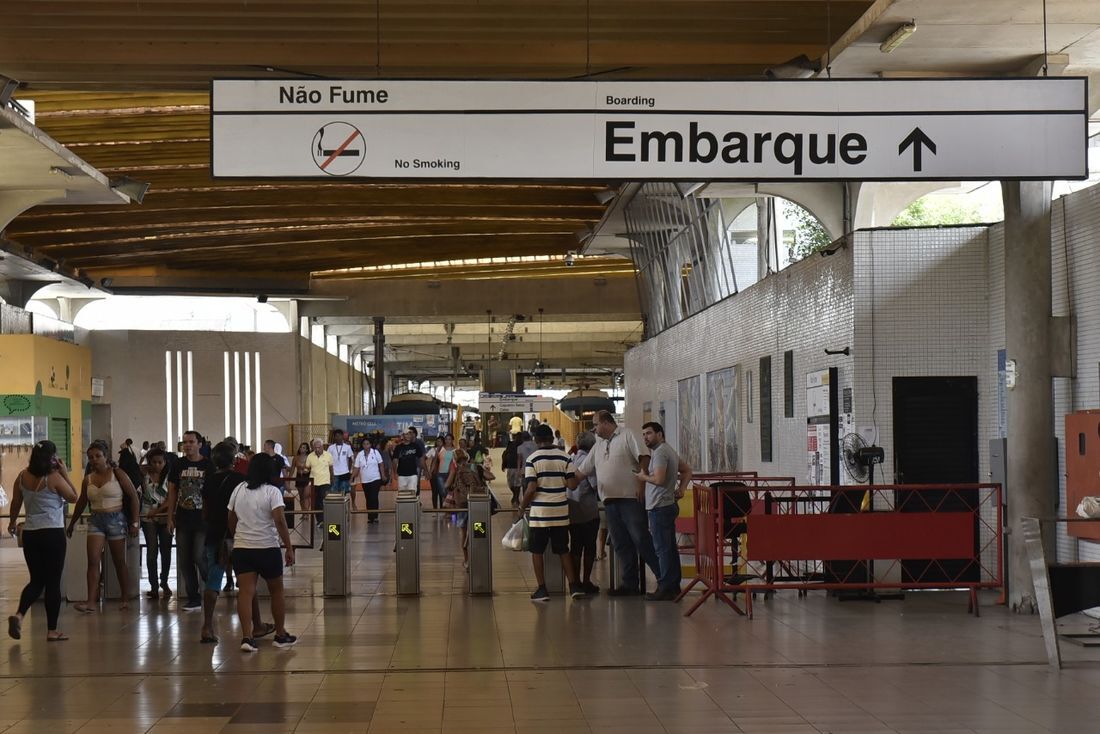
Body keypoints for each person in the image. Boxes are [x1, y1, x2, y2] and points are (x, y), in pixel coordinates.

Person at [576, 410, 659, 596]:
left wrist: (642, 483)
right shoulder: (598, 444)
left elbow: (643, 458)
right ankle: (630, 584)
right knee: (621, 544)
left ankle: (664, 581)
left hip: (630, 499)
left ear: (606, 423)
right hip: (610, 502)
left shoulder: (627, 435)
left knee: (641, 540)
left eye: (596, 424)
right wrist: (564, 481)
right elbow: (582, 471)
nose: (594, 429)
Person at [7, 440, 78, 641]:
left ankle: (19, 615)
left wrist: (12, 523)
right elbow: (73, 497)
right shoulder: (53, 478)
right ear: (52, 458)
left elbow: (15, 503)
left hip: (30, 534)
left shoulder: (22, 477)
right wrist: (64, 473)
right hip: (52, 534)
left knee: (36, 580)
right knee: (52, 583)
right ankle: (52, 630)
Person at [228, 453, 297, 652]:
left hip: (243, 548)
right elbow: (280, 520)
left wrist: (238, 536)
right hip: (267, 547)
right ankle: (280, 634)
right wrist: (289, 547)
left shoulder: (239, 489)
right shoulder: (272, 492)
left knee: (246, 593)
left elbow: (231, 518)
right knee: (277, 591)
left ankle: (247, 638)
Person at [68, 440, 141, 613]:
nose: (94, 460)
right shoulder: (88, 479)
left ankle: (125, 597)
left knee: (118, 560)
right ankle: (91, 601)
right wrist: (72, 523)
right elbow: (81, 502)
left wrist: (135, 522)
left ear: (106, 457)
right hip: (96, 520)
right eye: (91, 457)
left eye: (98, 456)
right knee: (93, 561)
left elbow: (134, 498)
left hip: (116, 519)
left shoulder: (118, 474)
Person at [520, 424, 585, 602]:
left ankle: (542, 589)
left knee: (537, 551)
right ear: (551, 438)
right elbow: (572, 485)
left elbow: (531, 487)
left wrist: (521, 507)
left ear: (536, 440)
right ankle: (573, 587)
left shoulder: (532, 459)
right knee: (563, 550)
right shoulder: (565, 458)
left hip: (540, 515)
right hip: (561, 512)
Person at [634, 422, 693, 601]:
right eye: (643, 434)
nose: (645, 437)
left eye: (649, 433)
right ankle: (673, 586)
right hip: (666, 505)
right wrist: (682, 489)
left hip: (659, 506)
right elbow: (687, 470)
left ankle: (666, 587)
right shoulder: (668, 450)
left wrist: (643, 477)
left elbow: (659, 480)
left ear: (660, 434)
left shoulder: (660, 453)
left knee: (662, 549)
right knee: (669, 548)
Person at [198, 442, 245, 643]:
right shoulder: (241, 481)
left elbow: (205, 510)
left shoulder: (208, 481)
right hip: (239, 534)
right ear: (234, 460)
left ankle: (207, 626)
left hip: (215, 534)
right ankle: (254, 626)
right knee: (246, 580)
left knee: (213, 580)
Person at [167, 430, 214, 612]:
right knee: (185, 559)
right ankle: (193, 597)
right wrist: (170, 516)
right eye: (185, 442)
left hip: (202, 518)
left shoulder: (208, 465)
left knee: (199, 555)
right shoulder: (178, 464)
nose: (188, 445)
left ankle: (211, 588)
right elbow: (172, 491)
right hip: (183, 517)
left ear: (199, 444)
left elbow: (211, 493)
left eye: (191, 442)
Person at [568, 431, 601, 594]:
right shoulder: (590, 461)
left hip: (572, 512)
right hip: (588, 511)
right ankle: (586, 581)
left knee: (575, 548)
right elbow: (595, 486)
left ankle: (576, 582)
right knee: (589, 548)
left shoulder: (571, 459)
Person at [140, 447, 173, 599]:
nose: (157, 465)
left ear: (165, 462)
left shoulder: (169, 476)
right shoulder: (143, 475)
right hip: (148, 518)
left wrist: (158, 510)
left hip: (165, 516)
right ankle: (153, 585)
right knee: (151, 552)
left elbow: (171, 498)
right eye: (154, 462)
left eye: (160, 462)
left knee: (166, 551)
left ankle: (164, 582)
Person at [444, 449, 481, 568]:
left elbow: (446, 485)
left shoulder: (456, 469)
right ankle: (479, 557)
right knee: (478, 531)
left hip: (462, 505)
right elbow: (491, 476)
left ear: (454, 459)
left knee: (464, 533)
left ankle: (467, 561)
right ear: (467, 457)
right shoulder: (474, 467)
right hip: (477, 503)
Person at [352, 437, 387, 523]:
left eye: (367, 444)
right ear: (362, 445)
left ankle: (375, 516)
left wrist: (383, 475)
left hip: (375, 478)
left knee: (374, 497)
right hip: (365, 480)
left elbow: (381, 464)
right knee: (368, 498)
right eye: (364, 444)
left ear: (370, 445)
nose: (366, 445)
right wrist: (352, 476)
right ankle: (370, 517)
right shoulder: (360, 454)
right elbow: (356, 467)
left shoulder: (375, 452)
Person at [306, 438, 333, 524]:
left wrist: (332, 479)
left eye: (319, 447)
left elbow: (331, 468)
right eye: (315, 448)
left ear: (322, 447)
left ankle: (324, 518)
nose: (317, 449)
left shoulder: (328, 455)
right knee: (316, 501)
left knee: (322, 498)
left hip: (325, 481)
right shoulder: (310, 456)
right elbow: (308, 467)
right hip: (314, 482)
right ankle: (319, 520)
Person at [392, 428, 425, 495]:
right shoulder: (398, 447)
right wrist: (395, 473)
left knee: (412, 493)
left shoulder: (415, 446)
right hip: (401, 475)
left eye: (410, 433)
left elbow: (421, 458)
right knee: (402, 494)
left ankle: (413, 505)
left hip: (413, 474)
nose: (408, 435)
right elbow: (395, 461)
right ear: (403, 435)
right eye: (406, 434)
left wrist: (425, 471)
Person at [328, 428, 354, 505]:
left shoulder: (347, 447)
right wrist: (331, 474)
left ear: (342, 436)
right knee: (334, 491)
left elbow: (350, 459)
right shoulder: (331, 447)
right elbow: (328, 461)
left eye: (339, 436)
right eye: (336, 436)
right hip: (335, 473)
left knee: (344, 492)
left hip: (345, 472)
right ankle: (336, 508)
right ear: (334, 437)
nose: (337, 438)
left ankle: (343, 508)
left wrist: (349, 470)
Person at [291, 442, 311, 528]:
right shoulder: (296, 458)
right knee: (301, 496)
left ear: (307, 449)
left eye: (304, 447)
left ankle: (307, 513)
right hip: (299, 477)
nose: (302, 449)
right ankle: (303, 512)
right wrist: (288, 479)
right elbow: (292, 469)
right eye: (301, 447)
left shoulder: (310, 457)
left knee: (306, 496)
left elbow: (313, 467)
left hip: (307, 477)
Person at [502, 435, 521, 507]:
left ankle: (516, 497)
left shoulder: (521, 445)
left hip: (517, 466)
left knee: (517, 484)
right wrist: (504, 464)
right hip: (510, 466)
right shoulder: (510, 444)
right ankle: (515, 495)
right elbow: (505, 454)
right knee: (511, 483)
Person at [426, 436, 443, 509]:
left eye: (440, 441)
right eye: (437, 441)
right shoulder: (433, 450)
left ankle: (442, 508)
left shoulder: (445, 450)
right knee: (434, 492)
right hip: (434, 474)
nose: (439, 443)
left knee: (442, 492)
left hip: (442, 474)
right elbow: (425, 457)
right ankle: (435, 508)